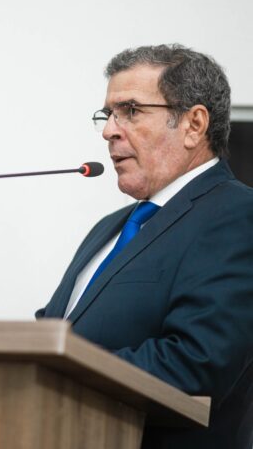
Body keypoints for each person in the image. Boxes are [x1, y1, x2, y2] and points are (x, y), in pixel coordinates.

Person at [35, 44, 253, 449]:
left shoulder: (238, 215)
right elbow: (56, 332)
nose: (109, 131)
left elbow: (196, 363)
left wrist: (58, 371)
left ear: (193, 124)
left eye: (131, 111)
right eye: (108, 114)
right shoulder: (108, 229)